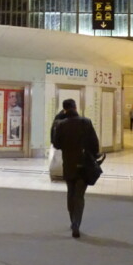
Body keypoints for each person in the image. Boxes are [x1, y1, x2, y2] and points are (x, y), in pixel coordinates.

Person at [51, 98, 99, 238]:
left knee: (70, 192)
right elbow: (94, 144)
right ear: (75, 107)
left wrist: (58, 120)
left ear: (64, 109)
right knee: (79, 195)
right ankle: (76, 223)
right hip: (83, 164)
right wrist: (93, 156)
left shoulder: (61, 124)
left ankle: (73, 220)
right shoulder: (86, 122)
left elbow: (57, 144)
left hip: (69, 164)